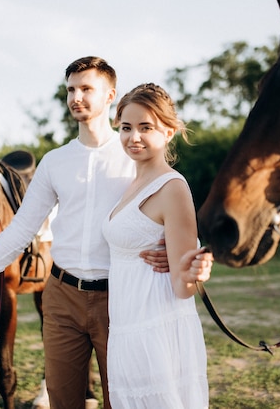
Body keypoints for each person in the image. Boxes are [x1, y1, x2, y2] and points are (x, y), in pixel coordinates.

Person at [0, 56, 169, 409]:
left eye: (87, 89)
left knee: (120, 399)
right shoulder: (55, 162)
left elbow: (171, 215)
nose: (77, 97)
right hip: (61, 297)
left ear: (110, 96)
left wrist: (185, 252)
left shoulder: (134, 157)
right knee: (62, 400)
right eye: (71, 89)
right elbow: (19, 232)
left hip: (118, 297)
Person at [102, 83, 213, 408]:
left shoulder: (172, 188)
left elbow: (182, 286)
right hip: (125, 325)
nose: (133, 137)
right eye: (126, 127)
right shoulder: (130, 184)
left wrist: (197, 270)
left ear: (169, 131)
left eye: (145, 127)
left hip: (157, 328)